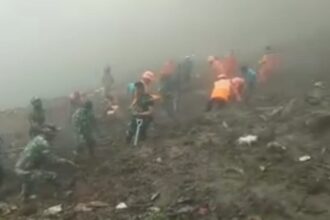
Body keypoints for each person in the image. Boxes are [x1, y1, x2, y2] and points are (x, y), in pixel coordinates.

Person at [15, 126, 75, 201]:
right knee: (53, 176)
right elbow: (52, 159)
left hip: (21, 168)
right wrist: (65, 161)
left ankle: (24, 197)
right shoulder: (44, 144)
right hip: (25, 170)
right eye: (54, 133)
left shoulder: (38, 139)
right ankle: (61, 194)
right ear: (49, 133)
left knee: (28, 180)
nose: (55, 136)